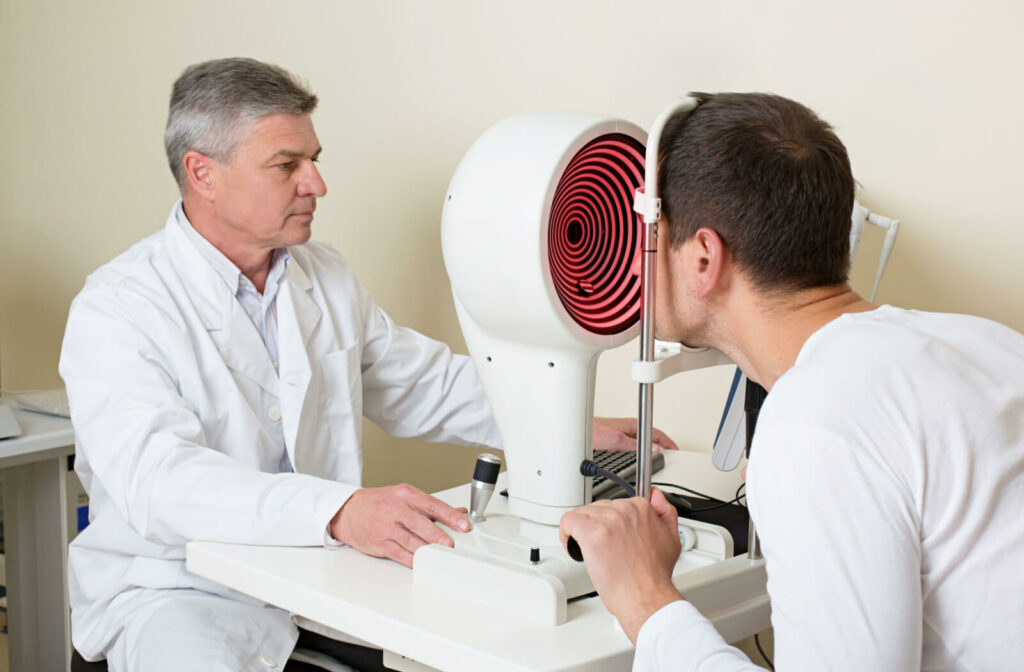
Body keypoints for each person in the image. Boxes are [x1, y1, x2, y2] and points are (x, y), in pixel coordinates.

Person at [59, 57, 677, 672]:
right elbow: (160, 484)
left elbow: (420, 384)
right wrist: (339, 511)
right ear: (203, 173)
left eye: (315, 159)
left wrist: (562, 426)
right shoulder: (118, 308)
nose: (316, 184)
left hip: (319, 578)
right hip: (178, 591)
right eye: (287, 165)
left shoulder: (320, 275)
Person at [559, 92, 1024, 671]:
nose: (633, 265)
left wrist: (646, 600)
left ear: (704, 258)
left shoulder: (818, 421)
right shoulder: (988, 342)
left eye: (650, 237)